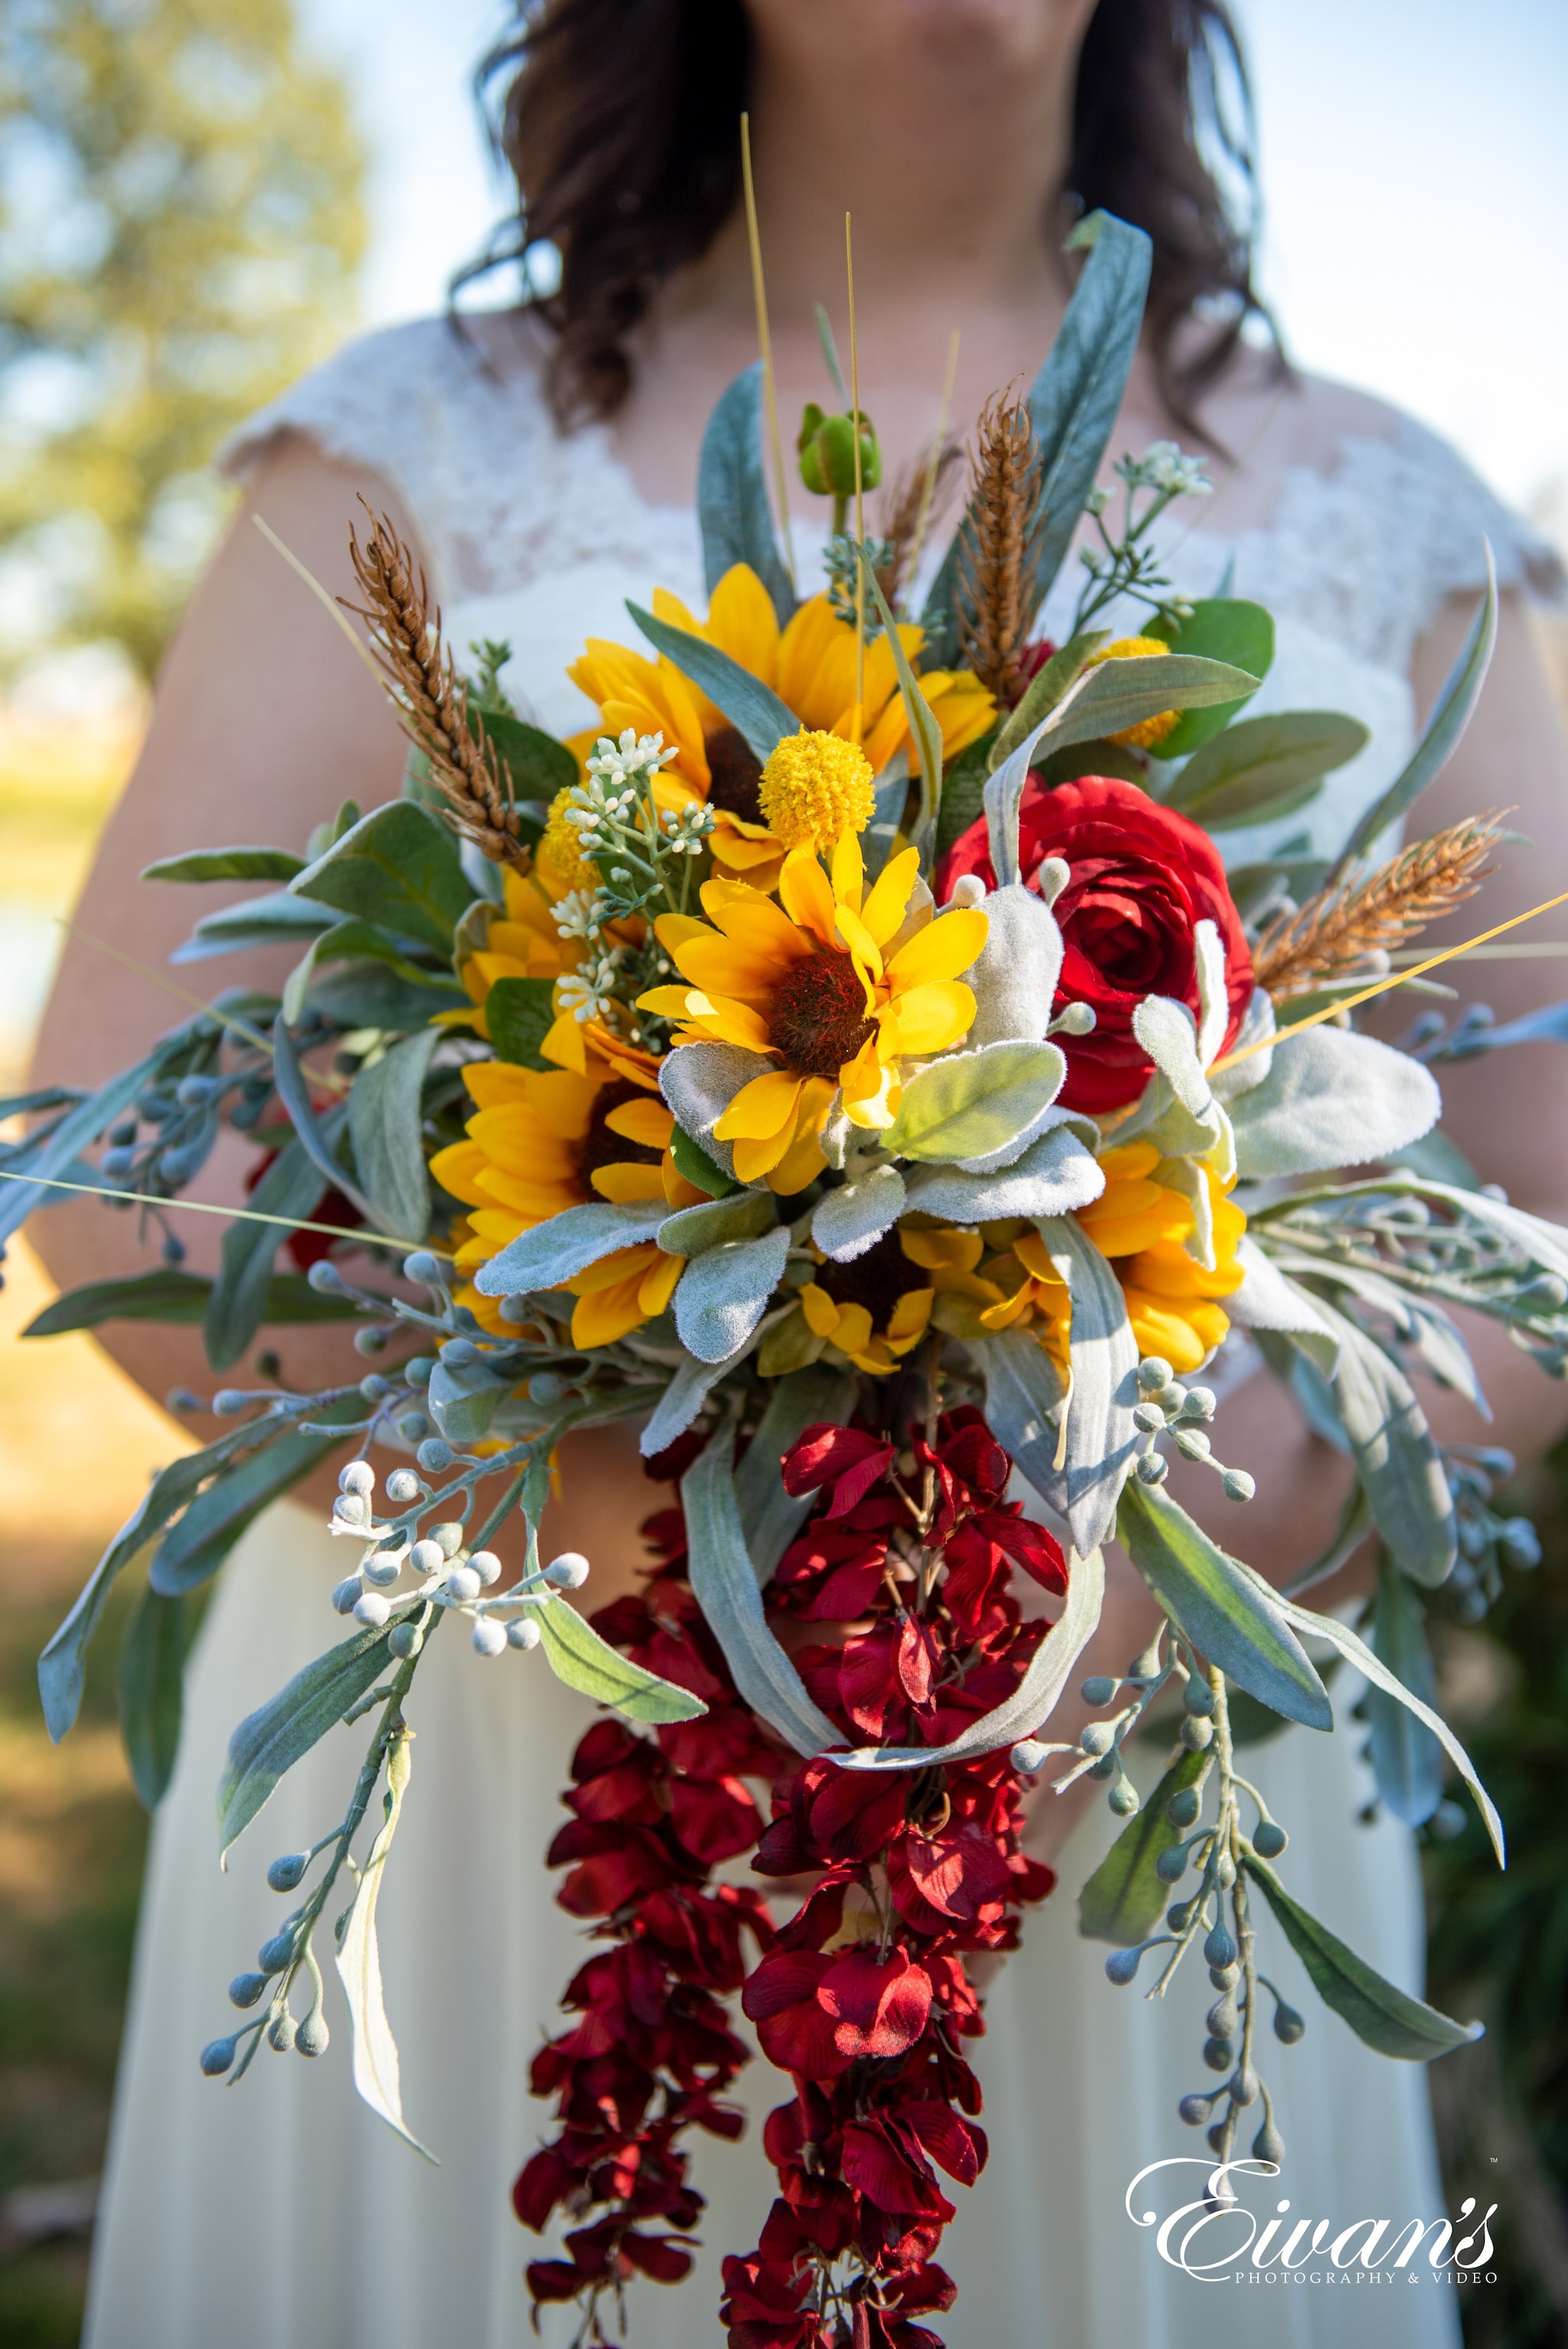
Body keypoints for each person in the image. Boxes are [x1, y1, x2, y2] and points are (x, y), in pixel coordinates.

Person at [31, 1, 1567, 2342]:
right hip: (527, 1753)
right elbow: (120, 1140)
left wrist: (1175, 1541)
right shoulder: (410, 452)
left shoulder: (1400, 509)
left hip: (1139, 1781)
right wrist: (624, 1545)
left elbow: (1547, 1194)